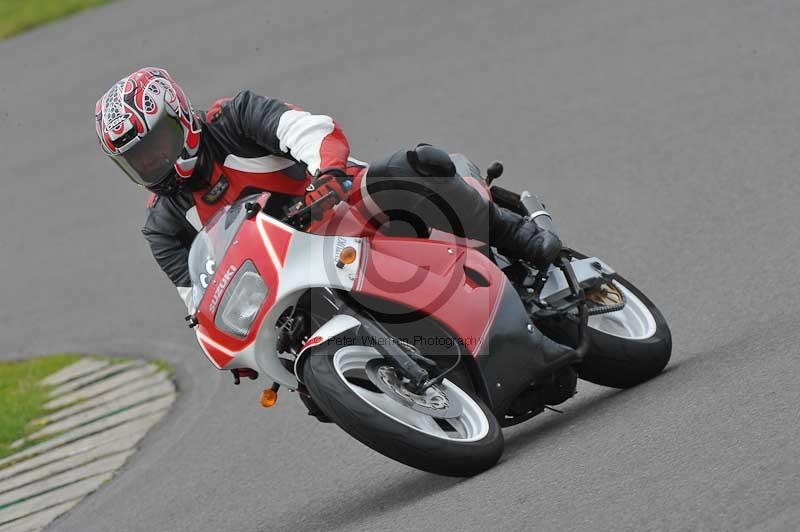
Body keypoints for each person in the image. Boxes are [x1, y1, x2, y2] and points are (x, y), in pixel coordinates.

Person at [95, 67, 561, 311]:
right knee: (303, 380)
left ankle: (518, 238)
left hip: (342, 206)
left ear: (180, 117)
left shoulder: (233, 119)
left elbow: (309, 131)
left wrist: (327, 174)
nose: (153, 162)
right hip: (295, 279)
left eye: (157, 145)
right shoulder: (164, 226)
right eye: (138, 160)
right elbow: (198, 299)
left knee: (409, 166)